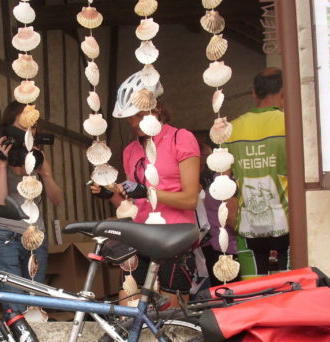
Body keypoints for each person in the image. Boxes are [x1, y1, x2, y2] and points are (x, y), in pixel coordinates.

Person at [91, 71, 201, 305]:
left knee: (172, 317)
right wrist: (111, 194)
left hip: (174, 238)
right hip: (139, 238)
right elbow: (131, 206)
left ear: (157, 107)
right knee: (128, 308)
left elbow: (190, 199)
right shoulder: (131, 150)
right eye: (129, 117)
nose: (133, 123)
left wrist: (148, 192)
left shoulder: (180, 139)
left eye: (139, 115)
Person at [0, 101, 62, 315]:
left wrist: (44, 173)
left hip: (36, 236)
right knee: (14, 304)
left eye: (32, 126)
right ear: (8, 128)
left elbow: (57, 199)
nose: (29, 131)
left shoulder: (37, 158)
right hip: (5, 236)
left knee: (34, 303)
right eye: (23, 125)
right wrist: (3, 163)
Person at [224, 67, 288, 278]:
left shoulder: (231, 130)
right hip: (287, 224)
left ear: (254, 93)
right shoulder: (290, 125)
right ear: (284, 93)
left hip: (248, 225)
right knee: (290, 292)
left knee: (252, 293)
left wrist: (232, 218)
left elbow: (223, 184)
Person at [193, 130, 240, 286]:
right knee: (231, 294)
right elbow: (232, 220)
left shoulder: (214, 182)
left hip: (212, 245)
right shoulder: (226, 185)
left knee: (220, 292)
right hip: (226, 248)